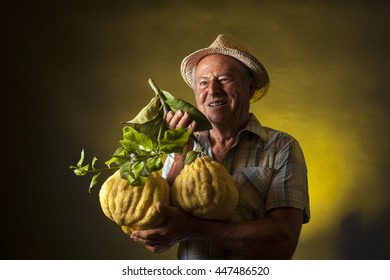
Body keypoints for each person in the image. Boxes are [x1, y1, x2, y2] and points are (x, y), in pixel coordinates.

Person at [130, 34, 310, 260]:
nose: (213, 90)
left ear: (250, 87)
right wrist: (179, 157)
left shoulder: (281, 148)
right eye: (203, 82)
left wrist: (194, 228)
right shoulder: (181, 146)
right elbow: (157, 235)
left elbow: (283, 242)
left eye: (224, 79)